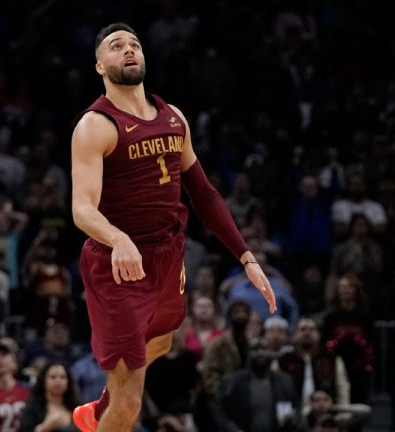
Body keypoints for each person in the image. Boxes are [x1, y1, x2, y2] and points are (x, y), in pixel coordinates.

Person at [70, 22, 277, 432]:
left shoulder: (173, 117)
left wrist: (246, 257)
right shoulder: (95, 125)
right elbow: (81, 209)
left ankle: (100, 407)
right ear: (99, 66)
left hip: (167, 256)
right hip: (118, 264)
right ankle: (108, 410)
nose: (128, 50)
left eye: (134, 44)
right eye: (116, 46)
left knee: (161, 341)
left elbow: (204, 194)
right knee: (130, 404)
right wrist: (117, 238)